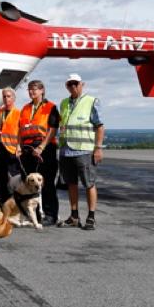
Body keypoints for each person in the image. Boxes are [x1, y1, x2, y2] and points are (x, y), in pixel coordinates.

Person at [57, 73, 104, 231]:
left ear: (82, 84)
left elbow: (99, 126)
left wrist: (98, 148)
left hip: (84, 151)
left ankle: (91, 217)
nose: (73, 87)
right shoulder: (63, 103)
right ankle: (74, 216)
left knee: (89, 183)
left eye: (75, 83)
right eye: (70, 84)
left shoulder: (91, 101)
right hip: (66, 150)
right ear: (66, 86)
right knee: (71, 183)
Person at [18, 79, 61, 225]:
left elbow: (52, 130)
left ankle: (50, 215)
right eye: (29, 89)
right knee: (30, 184)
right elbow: (20, 129)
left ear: (42, 90)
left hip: (44, 149)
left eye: (35, 89)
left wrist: (41, 147)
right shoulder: (24, 108)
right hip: (28, 149)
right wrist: (19, 146)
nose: (32, 92)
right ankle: (34, 215)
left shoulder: (51, 107)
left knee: (46, 183)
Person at [0, 87, 22, 203]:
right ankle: (3, 198)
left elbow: (20, 131)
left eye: (8, 96)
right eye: (4, 96)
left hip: (11, 147)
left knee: (15, 175)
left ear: (14, 98)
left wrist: (19, 146)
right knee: (0, 174)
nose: (6, 98)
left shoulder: (18, 113)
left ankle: (17, 197)